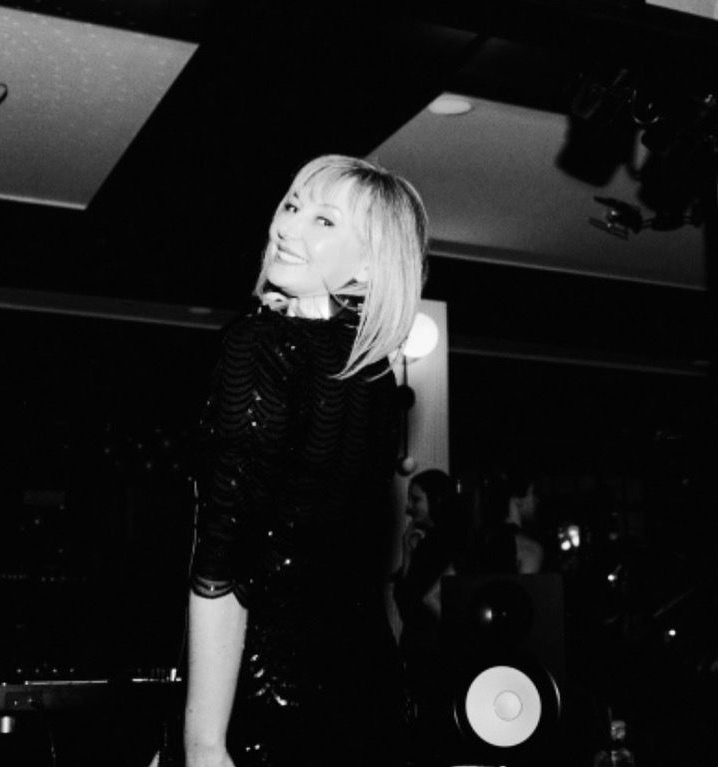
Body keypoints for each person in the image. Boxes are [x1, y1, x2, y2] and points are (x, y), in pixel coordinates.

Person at [184, 154, 428, 767]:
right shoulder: (376, 376)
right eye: (292, 205)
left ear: (368, 266)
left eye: (324, 220)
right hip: (370, 694)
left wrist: (203, 741)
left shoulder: (260, 345)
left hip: (267, 695)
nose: (287, 227)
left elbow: (223, 559)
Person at [392, 469, 467, 766]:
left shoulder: (446, 544)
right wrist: (407, 551)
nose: (409, 508)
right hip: (425, 650)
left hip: (434, 652)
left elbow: (415, 601)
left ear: (436, 500)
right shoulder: (429, 542)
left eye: (416, 500)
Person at [467, 468, 545, 575]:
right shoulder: (529, 550)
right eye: (533, 493)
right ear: (518, 499)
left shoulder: (477, 544)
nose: (536, 500)